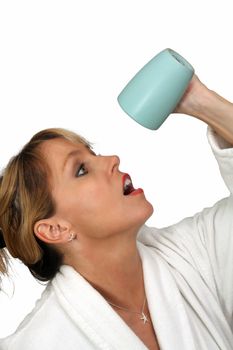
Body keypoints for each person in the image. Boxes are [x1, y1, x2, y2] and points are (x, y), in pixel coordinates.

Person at [0, 74, 233, 350]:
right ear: (55, 229)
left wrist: (198, 101)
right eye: (81, 170)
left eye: (93, 154)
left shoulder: (191, 255)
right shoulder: (37, 343)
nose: (112, 160)